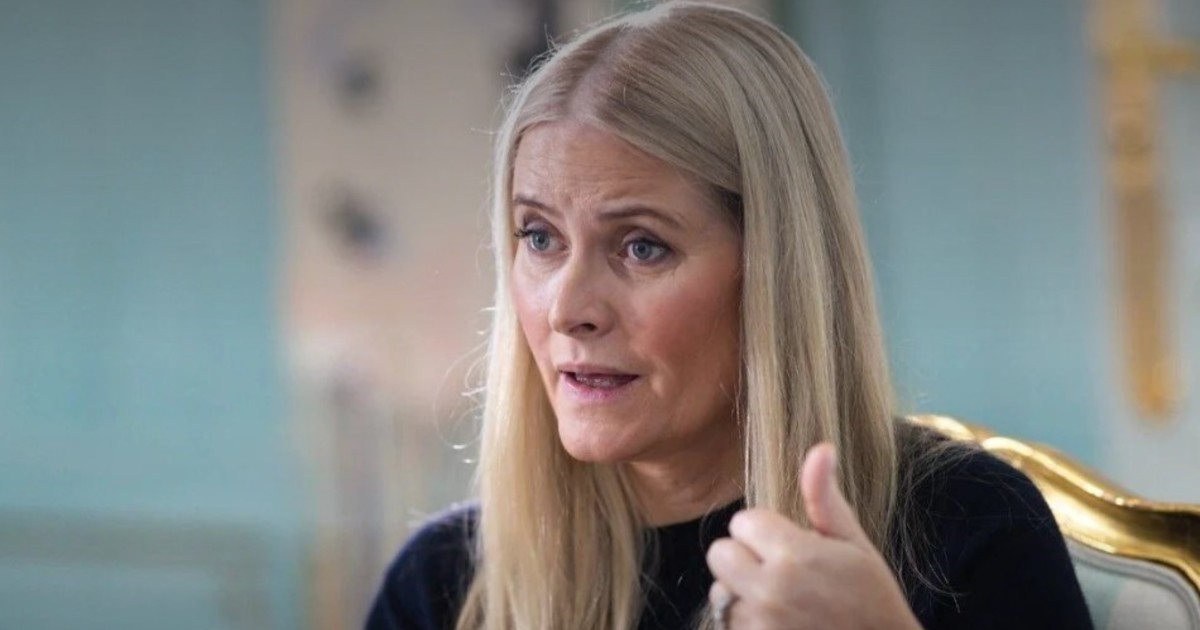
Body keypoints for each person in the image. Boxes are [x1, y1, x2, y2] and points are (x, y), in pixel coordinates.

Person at [366, 2, 1093, 628]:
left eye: (642, 246)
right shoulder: (443, 584)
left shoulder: (971, 529)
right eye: (539, 238)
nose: (567, 309)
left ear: (776, 269)